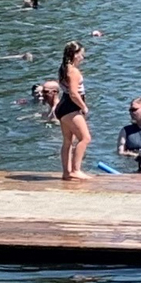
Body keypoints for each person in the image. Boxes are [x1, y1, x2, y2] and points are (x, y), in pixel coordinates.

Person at [53, 41, 91, 179]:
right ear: (75, 55)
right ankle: (76, 170)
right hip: (70, 107)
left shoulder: (63, 68)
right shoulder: (73, 71)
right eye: (81, 54)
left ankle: (66, 172)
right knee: (85, 138)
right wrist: (83, 106)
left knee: (67, 140)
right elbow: (74, 93)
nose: (82, 57)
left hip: (63, 106)